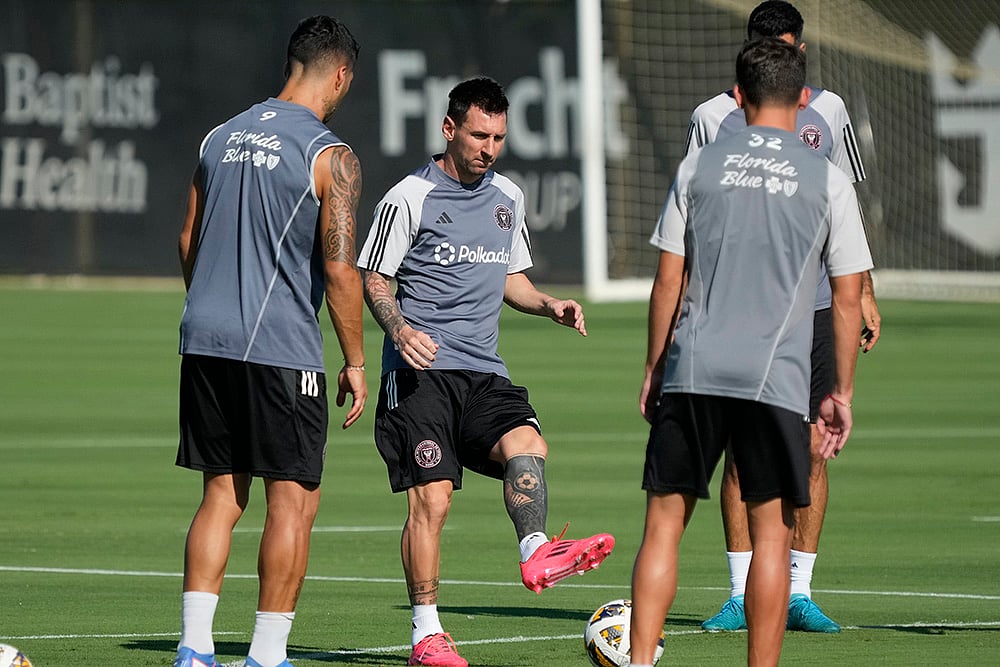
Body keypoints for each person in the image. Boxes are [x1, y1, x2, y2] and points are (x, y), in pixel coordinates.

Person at [628, 38, 873, 667]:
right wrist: (840, 392)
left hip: (693, 368)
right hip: (775, 379)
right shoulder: (829, 180)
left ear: (738, 97)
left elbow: (668, 280)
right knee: (772, 535)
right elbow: (847, 298)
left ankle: (640, 659)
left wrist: (655, 368)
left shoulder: (697, 167)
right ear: (803, 99)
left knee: (663, 527)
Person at [357, 76, 614, 667]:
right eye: (479, 136)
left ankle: (536, 551)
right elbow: (376, 279)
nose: (489, 148)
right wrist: (400, 330)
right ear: (449, 129)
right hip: (420, 375)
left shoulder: (508, 197)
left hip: (482, 371)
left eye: (498, 137)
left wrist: (547, 304)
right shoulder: (408, 198)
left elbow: (509, 278)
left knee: (528, 446)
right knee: (433, 501)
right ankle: (426, 635)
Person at [173, 16, 366, 667]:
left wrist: (213, 306)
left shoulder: (219, 135)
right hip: (280, 351)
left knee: (221, 495)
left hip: (204, 340)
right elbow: (340, 271)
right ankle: (266, 653)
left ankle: (194, 647)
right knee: (294, 500)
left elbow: (187, 238)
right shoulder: (330, 156)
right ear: (340, 75)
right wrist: (355, 360)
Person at [688, 0, 882, 634]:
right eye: (772, 48)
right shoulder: (712, 118)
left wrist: (865, 290)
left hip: (818, 304)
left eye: (792, 47)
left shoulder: (830, 111)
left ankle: (798, 592)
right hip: (740, 311)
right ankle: (740, 595)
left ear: (803, 49)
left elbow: (844, 206)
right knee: (741, 455)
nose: (784, 56)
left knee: (815, 446)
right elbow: (692, 222)